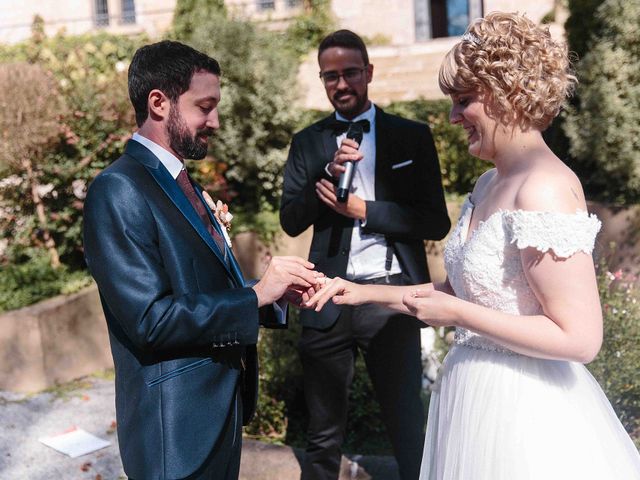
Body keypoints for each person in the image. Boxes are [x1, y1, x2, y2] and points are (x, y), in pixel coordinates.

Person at [306, 12, 640, 480]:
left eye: (464, 101)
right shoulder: (487, 183)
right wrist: (361, 292)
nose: (452, 117)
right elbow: (464, 291)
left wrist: (460, 316)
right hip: (470, 397)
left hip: (524, 413)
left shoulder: (543, 188)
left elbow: (580, 339)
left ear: (510, 94)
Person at [83, 40, 319, 480]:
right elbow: (151, 319)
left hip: (218, 415)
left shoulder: (178, 181)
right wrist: (255, 297)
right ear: (158, 102)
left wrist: (270, 295)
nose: (215, 121)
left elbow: (198, 288)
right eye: (204, 107)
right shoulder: (118, 190)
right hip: (173, 432)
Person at [280, 30, 450, 480]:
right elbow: (291, 220)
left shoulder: (410, 137)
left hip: (389, 298)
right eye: (330, 76)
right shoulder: (308, 142)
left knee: (406, 423)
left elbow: (435, 221)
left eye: (350, 73)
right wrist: (325, 177)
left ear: (368, 73)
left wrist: (363, 210)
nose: (342, 84)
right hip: (327, 297)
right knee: (322, 433)